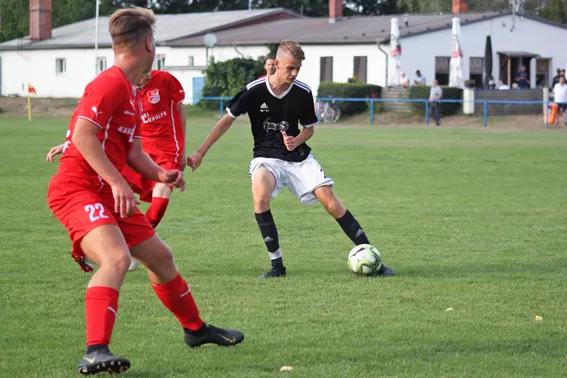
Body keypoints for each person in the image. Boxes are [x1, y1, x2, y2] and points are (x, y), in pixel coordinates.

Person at [47, 8, 243, 376]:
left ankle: (196, 330)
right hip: (77, 189)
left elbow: (133, 151)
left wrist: (162, 175)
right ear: (149, 44)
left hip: (104, 190)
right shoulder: (109, 83)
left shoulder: (131, 90)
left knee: (162, 258)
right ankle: (95, 350)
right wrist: (119, 182)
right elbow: (85, 137)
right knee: (117, 259)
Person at [187, 40, 394, 279]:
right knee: (260, 197)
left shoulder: (302, 92)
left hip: (298, 157)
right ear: (276, 64)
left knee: (332, 204)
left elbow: (309, 129)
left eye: (298, 68)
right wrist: (200, 152)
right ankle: (277, 267)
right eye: (290, 68)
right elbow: (226, 121)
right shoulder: (253, 90)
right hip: (266, 157)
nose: (294, 73)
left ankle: (373, 261)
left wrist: (297, 140)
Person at [47, 69, 188, 271]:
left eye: (149, 68)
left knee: (160, 202)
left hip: (167, 152)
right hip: (135, 152)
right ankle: (88, 247)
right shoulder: (123, 92)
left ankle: (137, 249)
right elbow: (93, 126)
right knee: (112, 200)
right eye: (142, 70)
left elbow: (180, 110)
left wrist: (181, 149)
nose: (146, 73)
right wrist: (67, 144)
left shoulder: (165, 80)